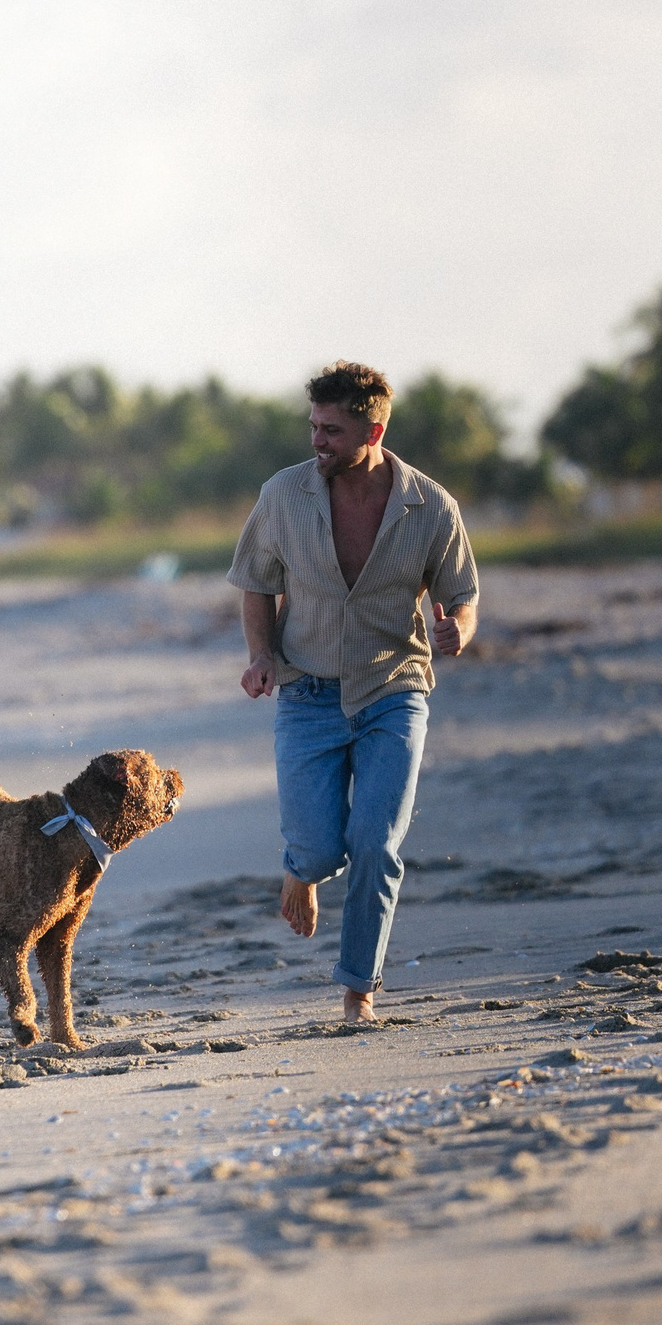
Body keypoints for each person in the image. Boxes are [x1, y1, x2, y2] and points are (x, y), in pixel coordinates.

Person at [228, 362, 480, 1023]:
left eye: (332, 430)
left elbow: (462, 594)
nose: (317, 440)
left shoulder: (430, 507)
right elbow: (256, 582)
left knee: (376, 841)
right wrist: (259, 656)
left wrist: (460, 630)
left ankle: (357, 990)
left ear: (374, 429)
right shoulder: (282, 495)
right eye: (313, 426)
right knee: (317, 848)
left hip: (392, 691)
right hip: (306, 693)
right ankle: (302, 870)